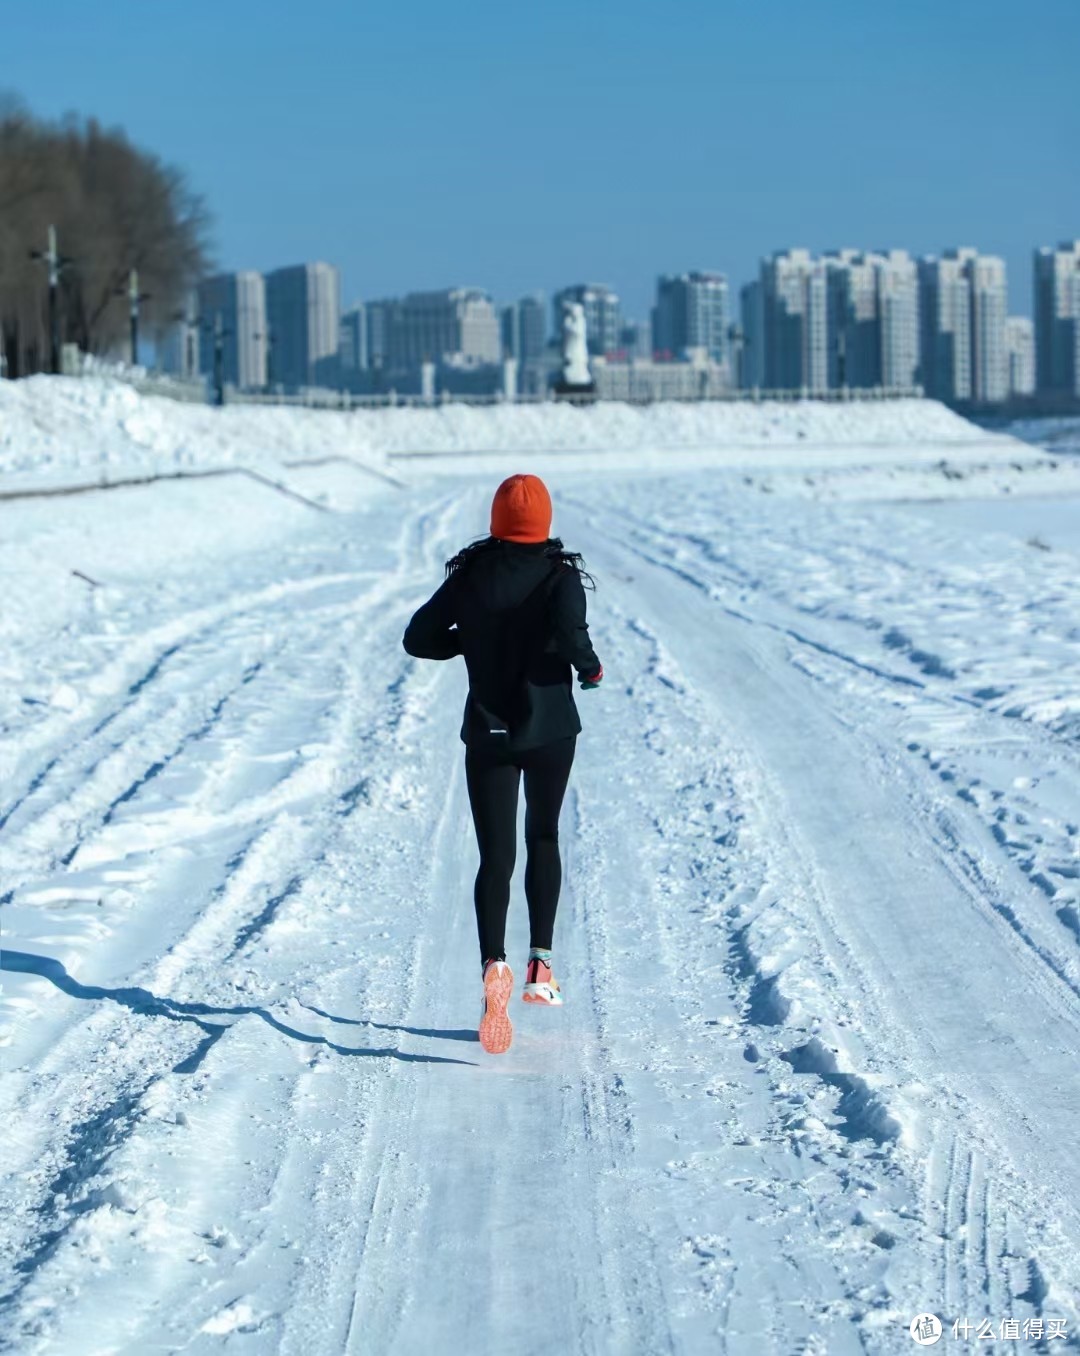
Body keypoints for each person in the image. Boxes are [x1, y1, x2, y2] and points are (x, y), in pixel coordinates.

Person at [403, 473, 603, 1055]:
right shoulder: (560, 577)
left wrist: (469, 641)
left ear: (496, 520)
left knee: (495, 856)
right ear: (542, 523)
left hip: (488, 732)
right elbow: (572, 639)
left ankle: (494, 965)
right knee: (542, 835)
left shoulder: (472, 575)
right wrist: (590, 671)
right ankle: (540, 964)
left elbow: (419, 637)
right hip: (550, 732)